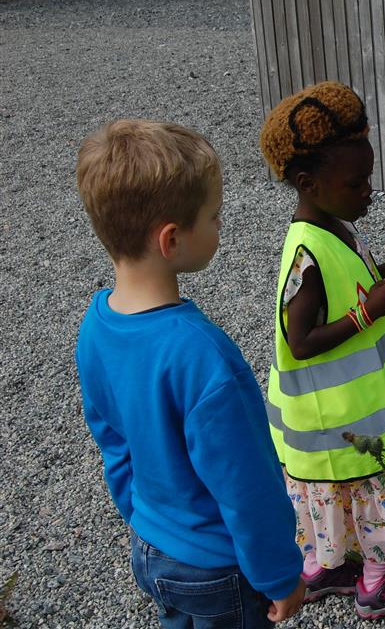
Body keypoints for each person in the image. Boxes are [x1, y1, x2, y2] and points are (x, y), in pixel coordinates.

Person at [74, 120, 305, 628]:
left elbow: (112, 441)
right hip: (217, 569)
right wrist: (281, 575)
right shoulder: (202, 356)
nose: (221, 227)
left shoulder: (95, 326)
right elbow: (246, 484)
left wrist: (143, 518)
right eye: (214, 217)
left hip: (152, 549)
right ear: (171, 239)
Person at [258, 80, 385, 620]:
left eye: (368, 179)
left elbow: (347, 286)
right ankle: (377, 580)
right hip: (337, 422)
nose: (368, 192)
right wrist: (369, 311)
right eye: (358, 183)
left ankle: (326, 564)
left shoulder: (334, 226)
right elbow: (300, 340)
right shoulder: (304, 256)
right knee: (366, 491)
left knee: (338, 495)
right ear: (309, 182)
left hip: (341, 419)